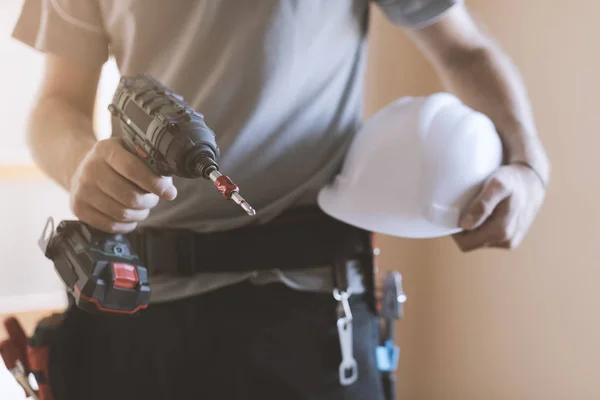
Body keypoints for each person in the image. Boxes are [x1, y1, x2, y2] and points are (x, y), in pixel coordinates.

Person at [12, 0, 550, 399]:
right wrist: (81, 163)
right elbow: (57, 103)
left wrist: (528, 166)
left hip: (310, 310)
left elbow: (463, 47)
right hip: (132, 303)